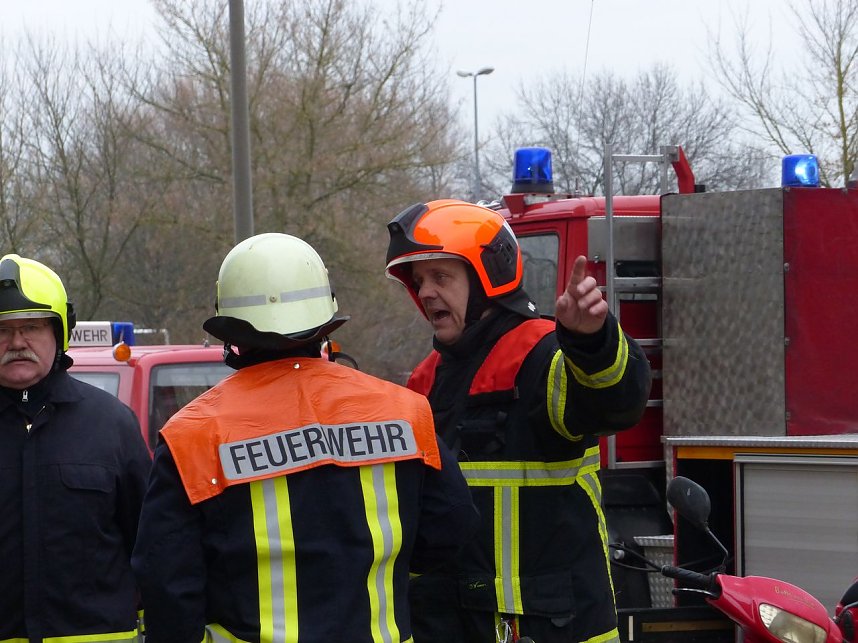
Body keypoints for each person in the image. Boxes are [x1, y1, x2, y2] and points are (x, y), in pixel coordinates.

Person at [132, 232, 479, 643]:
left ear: (232, 333)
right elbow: (452, 528)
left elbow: (166, 584)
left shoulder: (192, 435)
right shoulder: (405, 412)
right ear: (324, 320)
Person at [384, 200, 653, 643]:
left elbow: (617, 404)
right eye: (418, 281)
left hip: (548, 627)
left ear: (488, 275)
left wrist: (593, 343)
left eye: (441, 276)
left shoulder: (544, 355)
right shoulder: (425, 378)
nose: (426, 291)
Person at [0, 254, 151, 642]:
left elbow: (153, 547)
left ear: (59, 331)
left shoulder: (112, 424)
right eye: (2, 330)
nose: (17, 342)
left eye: (31, 327)